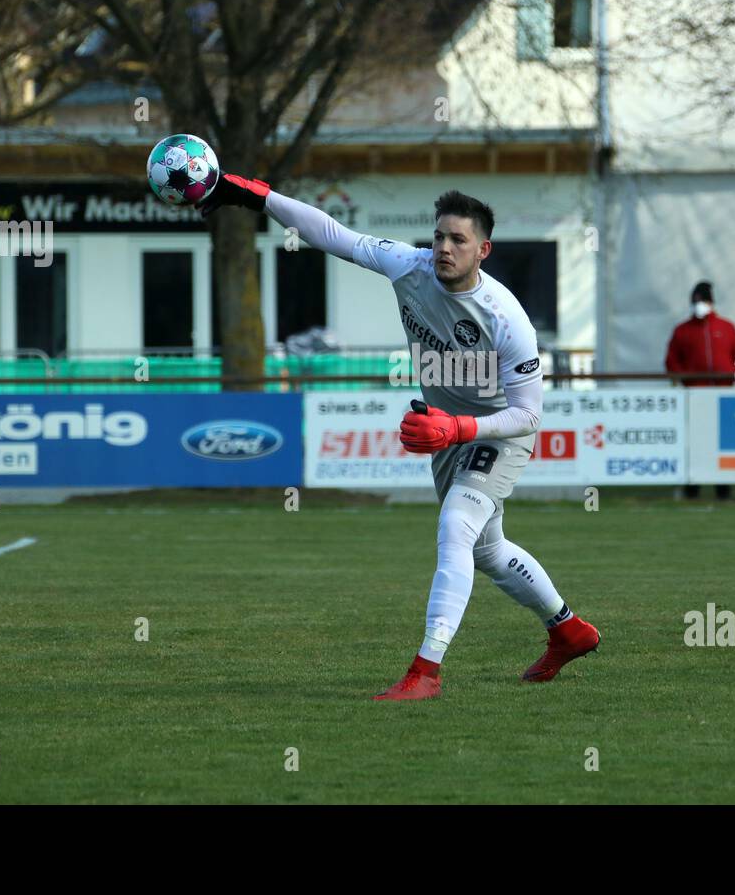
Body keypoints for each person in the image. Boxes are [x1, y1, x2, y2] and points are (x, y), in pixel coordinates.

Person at [199, 175, 599, 700]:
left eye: (458, 240)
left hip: (494, 431)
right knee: (487, 549)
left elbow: (528, 416)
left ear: (484, 250)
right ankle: (568, 631)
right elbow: (330, 233)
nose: (444, 248)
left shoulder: (508, 320)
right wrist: (255, 196)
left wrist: (458, 427)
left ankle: (425, 672)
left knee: (455, 527)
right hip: (446, 432)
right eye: (439, 237)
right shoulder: (409, 267)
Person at [664, 280, 735, 501]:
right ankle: (693, 487)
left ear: (710, 302)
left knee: (722, 443)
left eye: (701, 301)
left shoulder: (726, 328)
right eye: (694, 302)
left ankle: (724, 488)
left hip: (722, 396)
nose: (698, 305)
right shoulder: (682, 331)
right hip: (695, 397)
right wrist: (685, 380)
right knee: (696, 444)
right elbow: (671, 362)